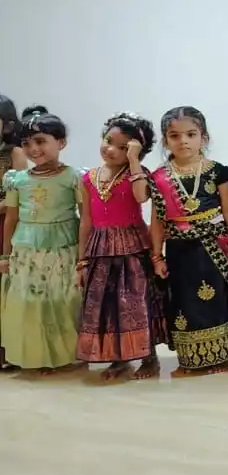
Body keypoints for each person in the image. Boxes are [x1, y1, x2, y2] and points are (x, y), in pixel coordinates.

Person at [150, 106, 228, 375]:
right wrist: (157, 256)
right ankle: (192, 358)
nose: (183, 141)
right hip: (179, 250)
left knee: (218, 297)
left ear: (203, 138)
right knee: (185, 300)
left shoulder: (216, 171)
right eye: (174, 135)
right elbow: (157, 220)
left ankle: (223, 354)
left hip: (213, 246)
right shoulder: (159, 178)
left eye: (191, 134)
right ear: (165, 140)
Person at [76, 112, 166, 380]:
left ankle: (149, 357)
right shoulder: (89, 177)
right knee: (106, 304)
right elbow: (86, 221)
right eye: (108, 140)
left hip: (133, 246)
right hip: (100, 248)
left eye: (123, 147)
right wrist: (81, 261)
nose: (110, 149)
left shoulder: (136, 174)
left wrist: (134, 160)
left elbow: (141, 198)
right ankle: (118, 359)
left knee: (137, 302)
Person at [0, 107, 82, 372]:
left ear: (61, 142)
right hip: (26, 249)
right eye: (26, 143)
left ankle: (64, 356)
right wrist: (5, 255)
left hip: (62, 248)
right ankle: (37, 357)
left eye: (40, 141)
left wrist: (84, 256)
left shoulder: (73, 177)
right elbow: (11, 219)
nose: (33, 149)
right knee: (31, 303)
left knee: (62, 302)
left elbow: (87, 217)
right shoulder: (17, 179)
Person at [0, 94, 28, 370]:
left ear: (7, 125)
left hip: (5, 223)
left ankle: (8, 350)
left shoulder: (15, 154)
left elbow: (16, 198)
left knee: (5, 286)